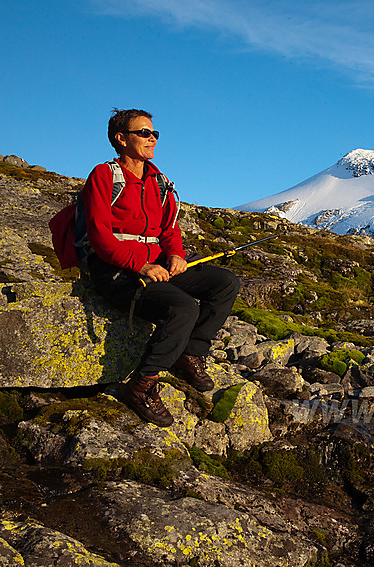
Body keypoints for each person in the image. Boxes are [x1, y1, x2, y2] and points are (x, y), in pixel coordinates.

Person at [82, 108, 240, 426]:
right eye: (144, 132)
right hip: (116, 272)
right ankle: (140, 388)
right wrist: (139, 264)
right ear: (121, 138)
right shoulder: (103, 176)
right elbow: (100, 237)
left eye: (154, 133)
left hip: (155, 268)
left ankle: (189, 352)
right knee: (183, 308)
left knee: (225, 282)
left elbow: (168, 230)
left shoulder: (159, 181)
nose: (152, 138)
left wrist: (176, 256)